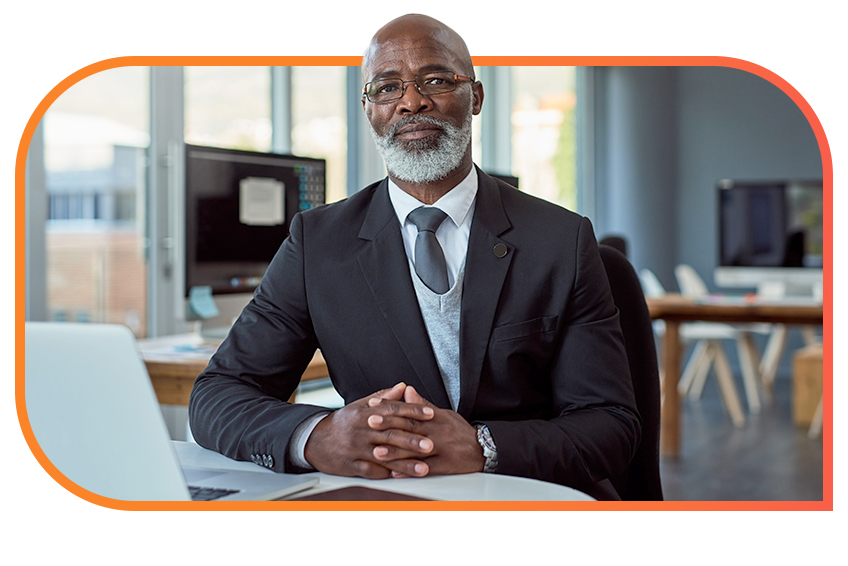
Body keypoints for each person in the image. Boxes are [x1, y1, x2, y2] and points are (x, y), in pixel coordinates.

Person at [189, 14, 640, 500]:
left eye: (436, 80)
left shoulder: (561, 240)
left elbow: (610, 425)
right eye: (386, 88)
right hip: (386, 503)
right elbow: (217, 396)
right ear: (368, 109)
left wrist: (482, 446)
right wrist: (315, 437)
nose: (411, 101)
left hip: (528, 496)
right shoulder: (317, 243)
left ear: (477, 97)